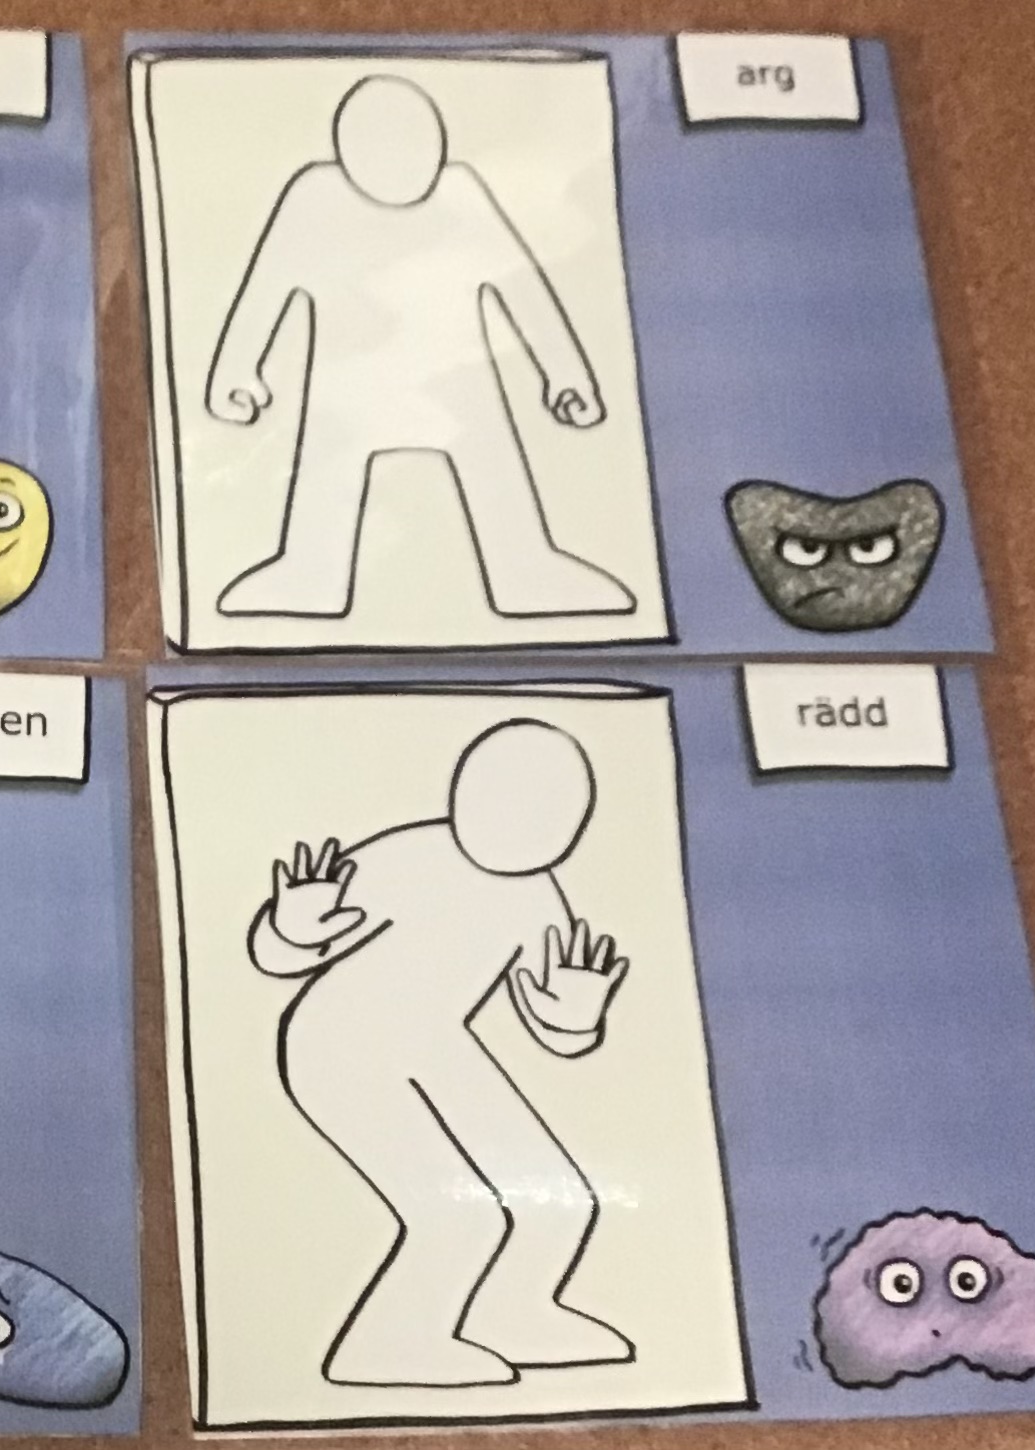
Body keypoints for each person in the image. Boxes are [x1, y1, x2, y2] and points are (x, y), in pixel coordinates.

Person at [247, 720, 634, 1385]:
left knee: (561, 1194)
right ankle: (384, 1342)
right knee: (457, 1210)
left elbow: (549, 1026)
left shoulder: (541, 903)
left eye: (547, 812)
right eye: (498, 796)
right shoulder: (405, 856)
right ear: (460, 793)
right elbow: (278, 957)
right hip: (337, 1044)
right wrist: (288, 929)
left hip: (433, 1042)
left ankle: (512, 1312)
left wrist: (575, 1022)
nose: (518, 824)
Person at [205, 74, 635, 621]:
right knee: (326, 475)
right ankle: (308, 574)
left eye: (417, 146)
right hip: (350, 386)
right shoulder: (314, 197)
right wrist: (236, 371)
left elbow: (522, 287)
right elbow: (266, 288)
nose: (404, 166)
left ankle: (527, 569)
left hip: (458, 384)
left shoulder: (460, 192)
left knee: (495, 469)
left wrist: (566, 373)